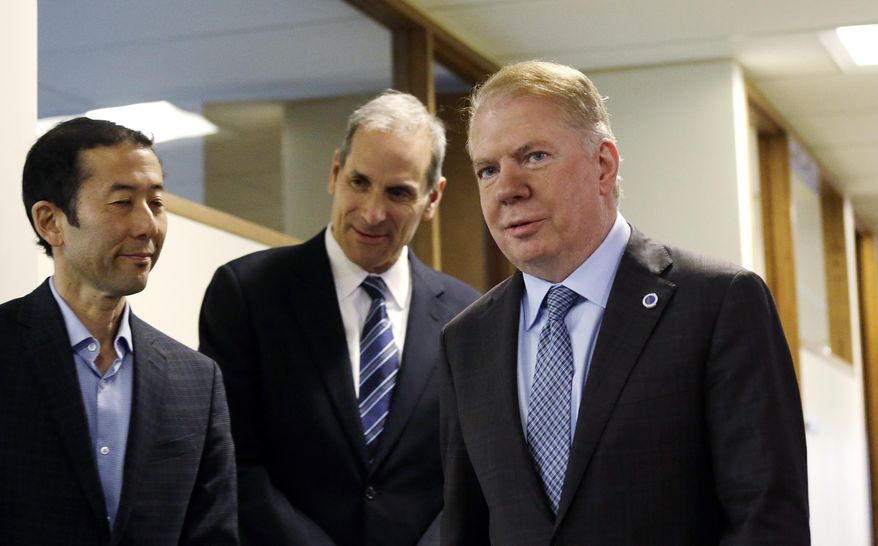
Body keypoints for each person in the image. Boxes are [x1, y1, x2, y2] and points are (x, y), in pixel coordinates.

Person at [439, 61, 809, 545]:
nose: (507, 189)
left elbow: (766, 519)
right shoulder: (465, 341)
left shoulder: (720, 304)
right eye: (488, 170)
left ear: (603, 165)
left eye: (533, 157)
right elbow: (464, 529)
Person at [199, 90, 479, 546]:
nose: (372, 212)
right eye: (359, 182)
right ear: (334, 172)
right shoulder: (248, 294)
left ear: (433, 198)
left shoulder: (468, 317)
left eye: (398, 193)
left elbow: (472, 476)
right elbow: (232, 461)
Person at [0, 117, 238, 545]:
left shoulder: (197, 380)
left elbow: (212, 533)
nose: (147, 226)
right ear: (50, 222)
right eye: (122, 203)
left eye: (157, 203)